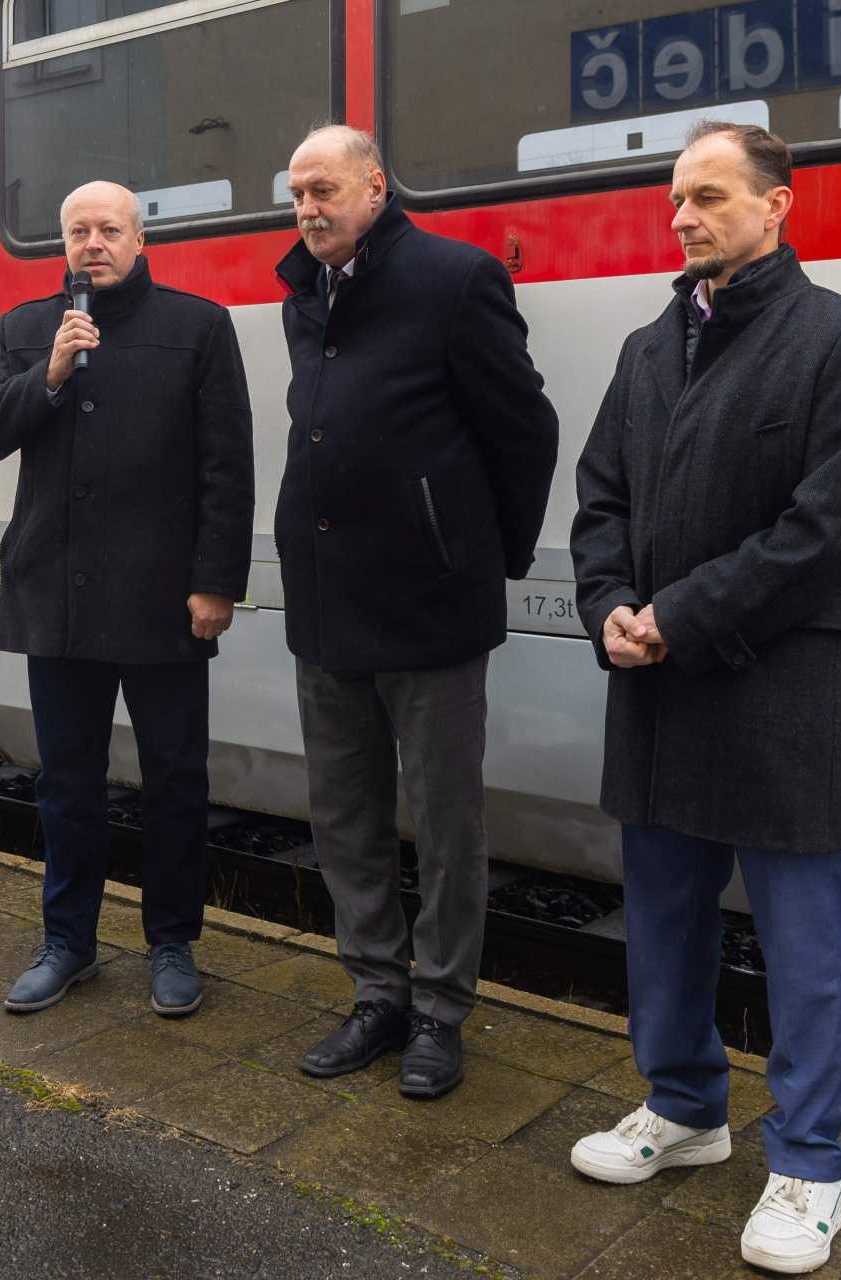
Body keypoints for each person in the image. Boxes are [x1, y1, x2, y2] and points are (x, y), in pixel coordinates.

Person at [566, 121, 841, 1275]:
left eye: (709, 196)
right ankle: (686, 1108)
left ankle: (811, 1166)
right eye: (675, 200)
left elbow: (828, 530)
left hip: (776, 694)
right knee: (662, 922)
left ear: (779, 206)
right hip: (656, 690)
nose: (684, 217)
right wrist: (607, 598)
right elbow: (598, 495)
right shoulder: (648, 348)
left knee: (803, 944)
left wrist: (681, 614)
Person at [274, 125, 559, 1099]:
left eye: (323, 188)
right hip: (325, 602)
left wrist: (486, 557)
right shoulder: (302, 297)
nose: (307, 207)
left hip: (431, 605)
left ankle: (440, 1009)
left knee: (444, 820)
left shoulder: (455, 280)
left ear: (376, 185)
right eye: (296, 192)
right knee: (345, 816)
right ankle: (376, 993)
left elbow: (523, 431)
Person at [0, 180, 255, 1019]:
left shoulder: (197, 326)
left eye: (110, 229)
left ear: (138, 238)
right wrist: (49, 373)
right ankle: (69, 944)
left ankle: (172, 942)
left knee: (173, 779)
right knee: (67, 783)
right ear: (63, 242)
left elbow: (226, 468)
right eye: (79, 230)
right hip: (55, 595)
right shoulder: (27, 330)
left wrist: (215, 583)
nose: (94, 243)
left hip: (165, 599)